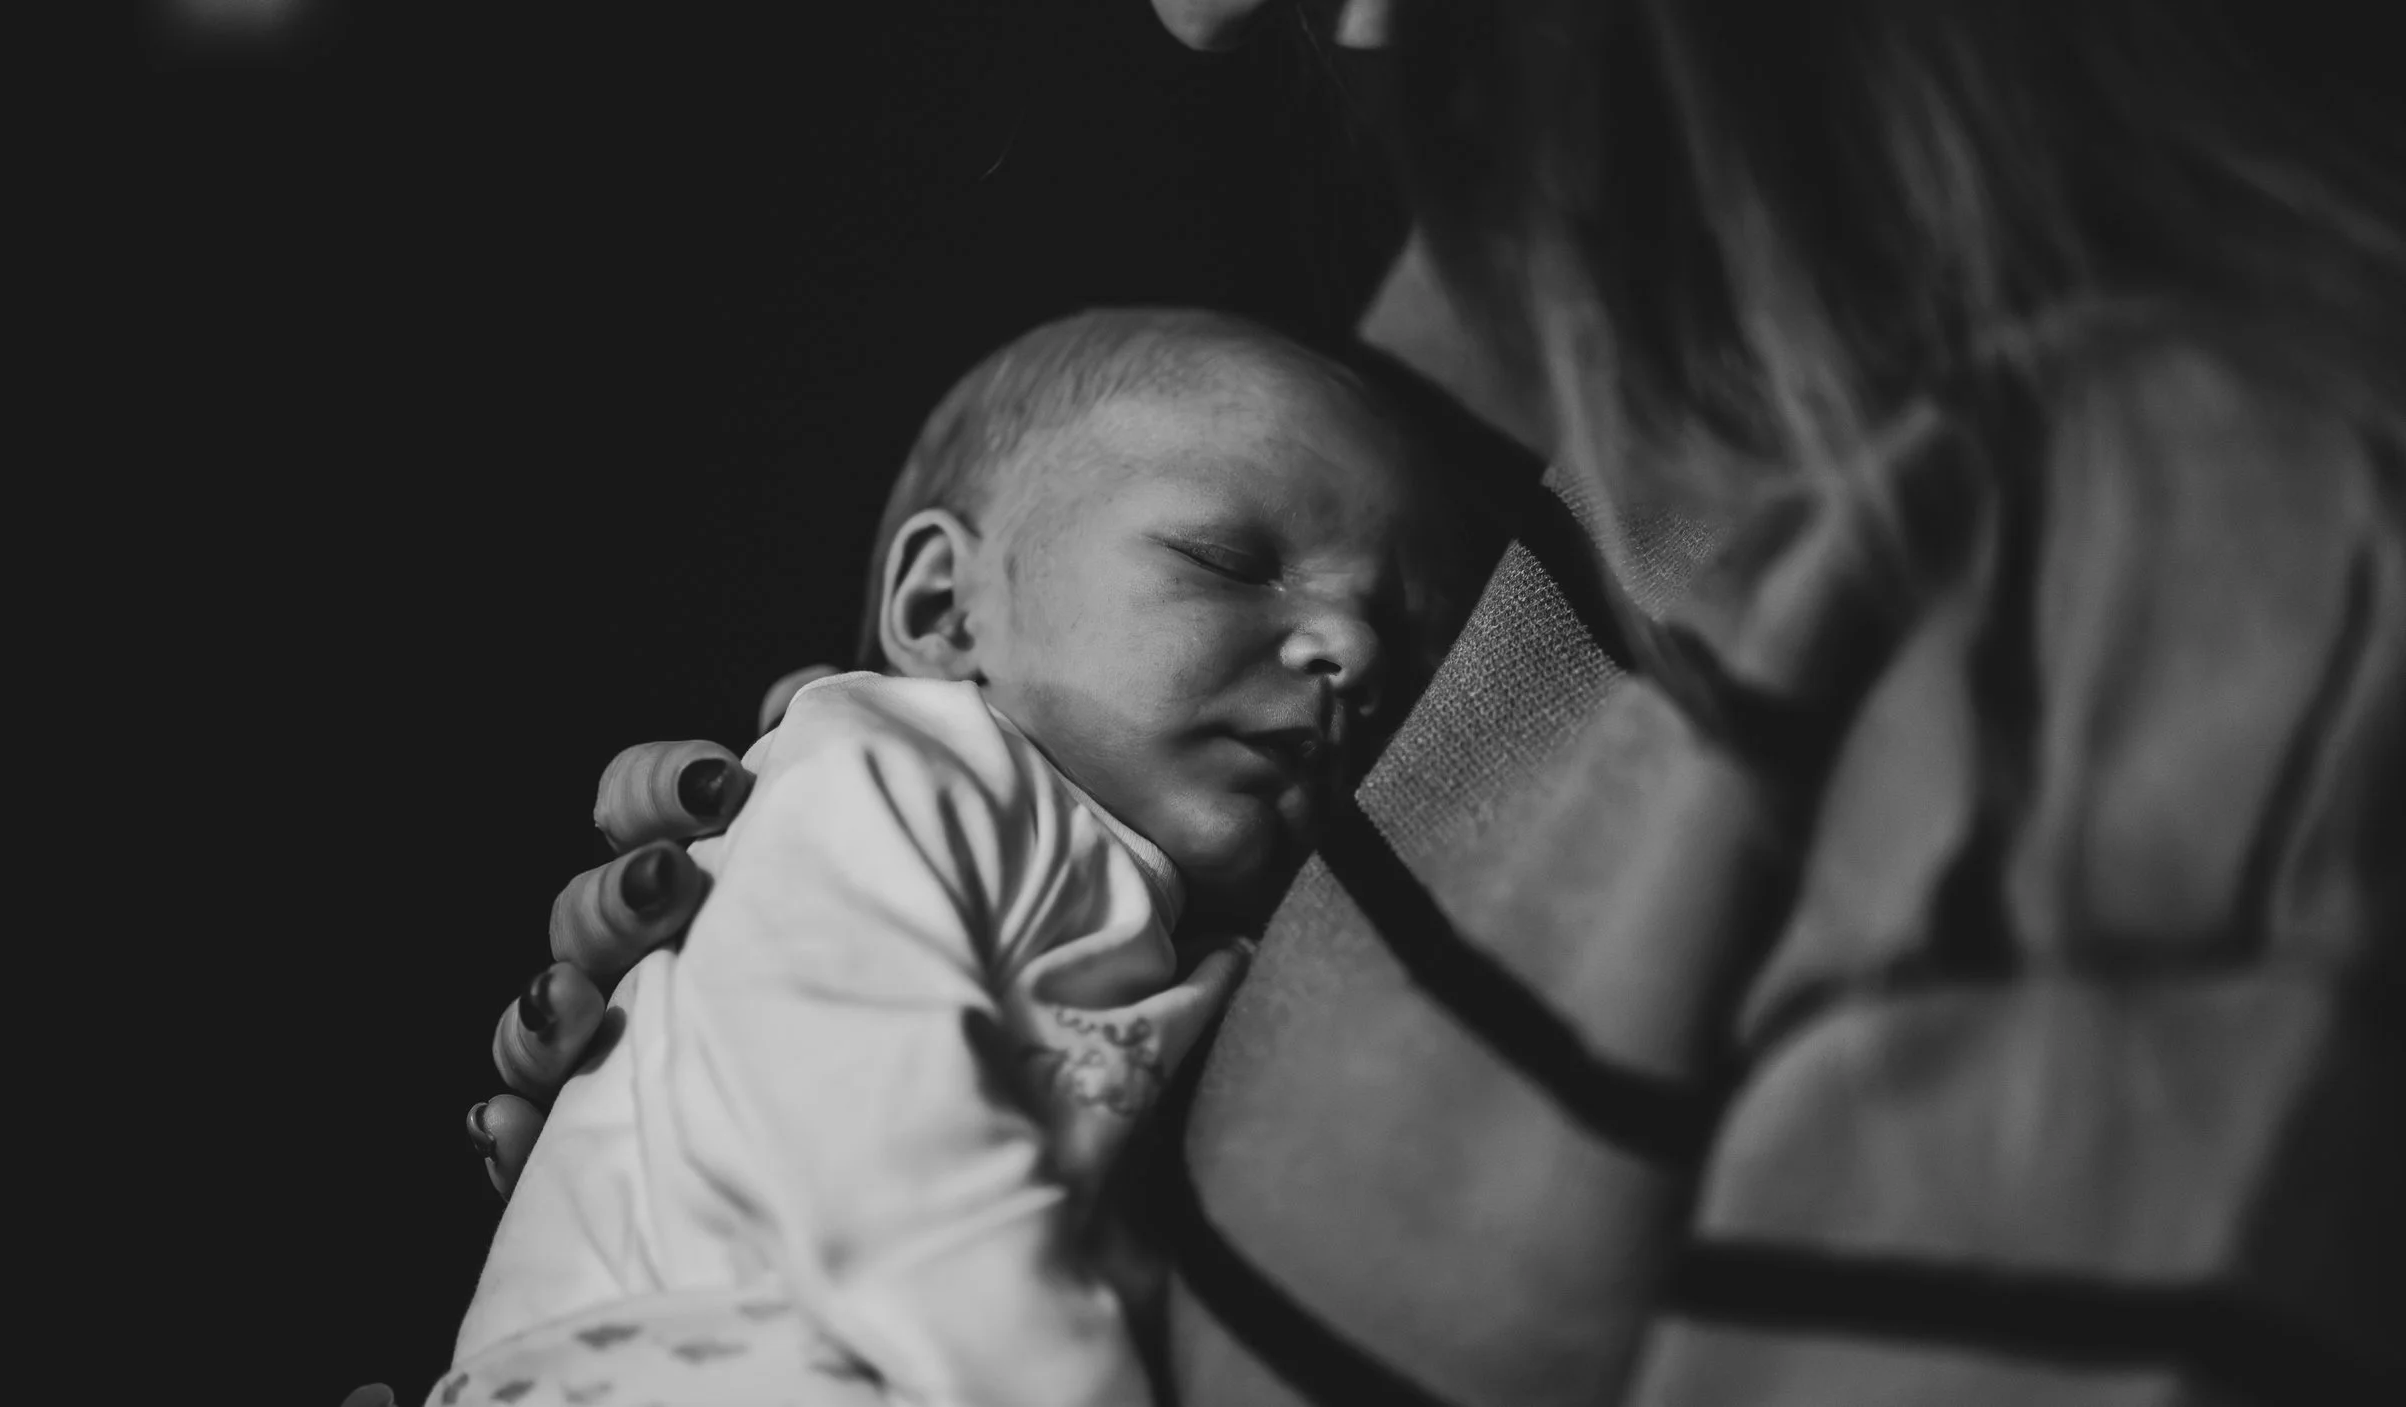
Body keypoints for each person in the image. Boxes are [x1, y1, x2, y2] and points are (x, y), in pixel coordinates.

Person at [470, 2, 2406, 1404]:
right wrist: (674, 1137)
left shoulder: (2175, 568)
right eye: (1228, 567)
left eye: (1379, 638)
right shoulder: (1473, 327)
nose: (1201, 14)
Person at [439, 307, 1483, 1407]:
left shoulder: (1217, 947)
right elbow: (872, 1130)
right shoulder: (894, 774)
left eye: (1410, 656)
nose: (1355, 652)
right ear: (943, 607)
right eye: (1229, 561)